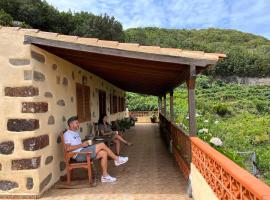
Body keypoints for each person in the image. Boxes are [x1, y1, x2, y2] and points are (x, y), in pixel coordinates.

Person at [64, 116, 128, 183]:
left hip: (83, 152)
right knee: (102, 144)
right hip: (78, 155)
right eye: (76, 123)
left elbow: (79, 146)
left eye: (78, 123)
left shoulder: (75, 133)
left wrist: (85, 144)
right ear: (71, 124)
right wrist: (82, 145)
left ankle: (105, 176)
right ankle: (117, 159)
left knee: (104, 153)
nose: (78, 124)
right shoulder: (67, 134)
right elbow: (67, 148)